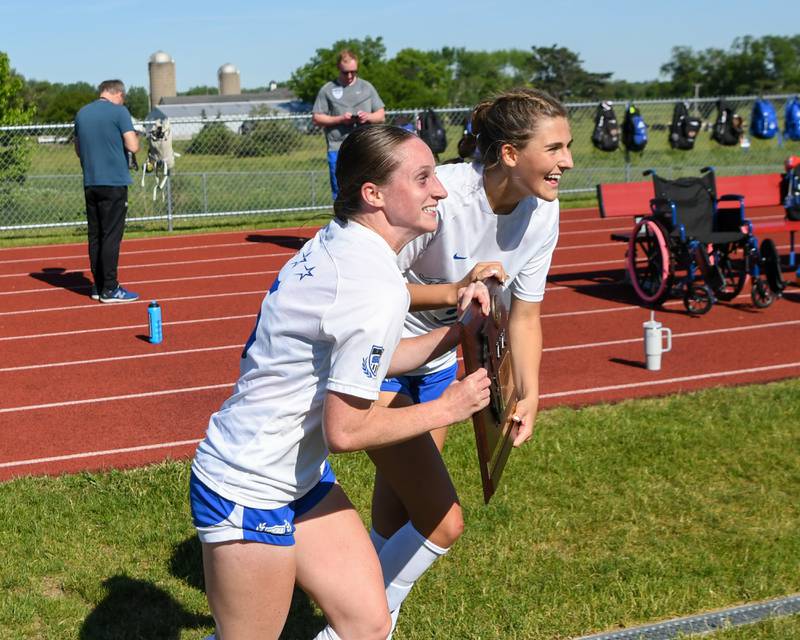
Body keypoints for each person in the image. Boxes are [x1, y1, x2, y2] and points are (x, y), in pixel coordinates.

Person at [190, 125, 492, 640]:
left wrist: (457, 333)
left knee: (369, 626)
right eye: (422, 179)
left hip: (298, 477)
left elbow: (366, 361)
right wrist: (450, 407)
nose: (439, 190)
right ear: (372, 194)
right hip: (247, 485)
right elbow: (346, 432)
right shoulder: (373, 285)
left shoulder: (346, 245)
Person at [368, 88, 575, 634]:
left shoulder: (543, 216)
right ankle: (361, 619)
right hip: (380, 355)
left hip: (437, 361)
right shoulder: (443, 196)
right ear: (510, 154)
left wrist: (530, 391)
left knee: (402, 502)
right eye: (554, 148)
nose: (568, 162)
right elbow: (369, 289)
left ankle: (361, 610)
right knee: (438, 515)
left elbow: (526, 316)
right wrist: (454, 290)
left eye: (567, 147)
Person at [74, 79, 140, 303]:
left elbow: (77, 149)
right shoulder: (119, 112)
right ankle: (110, 288)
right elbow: (133, 146)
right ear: (118, 93)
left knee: (96, 235)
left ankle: (98, 285)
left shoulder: (82, 113)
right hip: (113, 182)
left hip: (91, 181)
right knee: (111, 236)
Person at [312, 50, 385, 201]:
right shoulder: (328, 90)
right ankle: (342, 220)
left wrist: (368, 117)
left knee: (369, 186)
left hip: (365, 146)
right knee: (341, 189)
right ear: (339, 67)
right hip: (338, 147)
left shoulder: (366, 87)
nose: (350, 76)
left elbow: (381, 115)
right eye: (346, 72)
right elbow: (317, 118)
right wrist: (340, 119)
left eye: (354, 72)